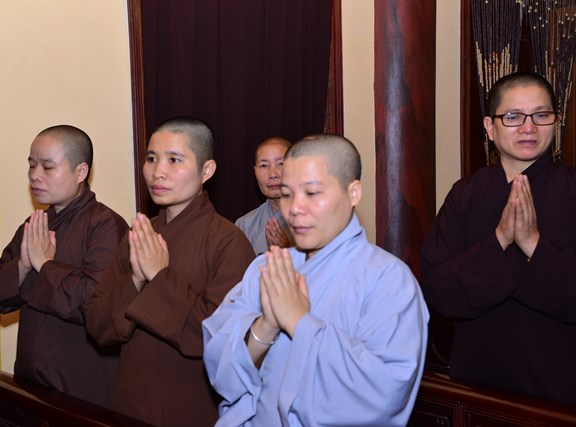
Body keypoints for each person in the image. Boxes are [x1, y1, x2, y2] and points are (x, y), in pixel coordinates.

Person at [203, 134, 429, 426]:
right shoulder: (267, 267)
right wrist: (266, 325)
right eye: (287, 194)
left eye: (311, 193)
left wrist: (299, 321)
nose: (295, 208)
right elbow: (219, 368)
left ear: (353, 193)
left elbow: (383, 393)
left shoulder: (388, 279)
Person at [84, 117, 255, 426]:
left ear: (206, 170)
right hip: (131, 402)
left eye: (174, 160)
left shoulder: (228, 242)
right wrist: (136, 279)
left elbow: (218, 339)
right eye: (151, 159)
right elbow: (97, 324)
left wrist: (159, 276)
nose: (157, 172)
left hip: (192, 408)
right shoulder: (139, 234)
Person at [421, 71, 576, 404]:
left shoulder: (572, 190)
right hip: (477, 385)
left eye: (541, 115)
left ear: (556, 122)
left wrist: (533, 243)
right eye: (513, 116)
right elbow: (438, 290)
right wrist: (500, 240)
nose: (529, 127)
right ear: (490, 127)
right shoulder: (465, 195)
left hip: (559, 389)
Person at [0, 125, 129, 407]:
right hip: (31, 380)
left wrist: (45, 265)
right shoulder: (35, 225)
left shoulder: (105, 226)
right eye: (32, 165)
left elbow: (95, 304)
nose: (34, 176)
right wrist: (24, 266)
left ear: (81, 172)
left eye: (48, 167)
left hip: (81, 388)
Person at [236, 137, 292, 254]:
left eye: (281, 164)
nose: (272, 174)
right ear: (255, 171)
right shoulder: (245, 225)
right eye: (264, 166)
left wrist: (290, 250)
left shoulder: (312, 218)